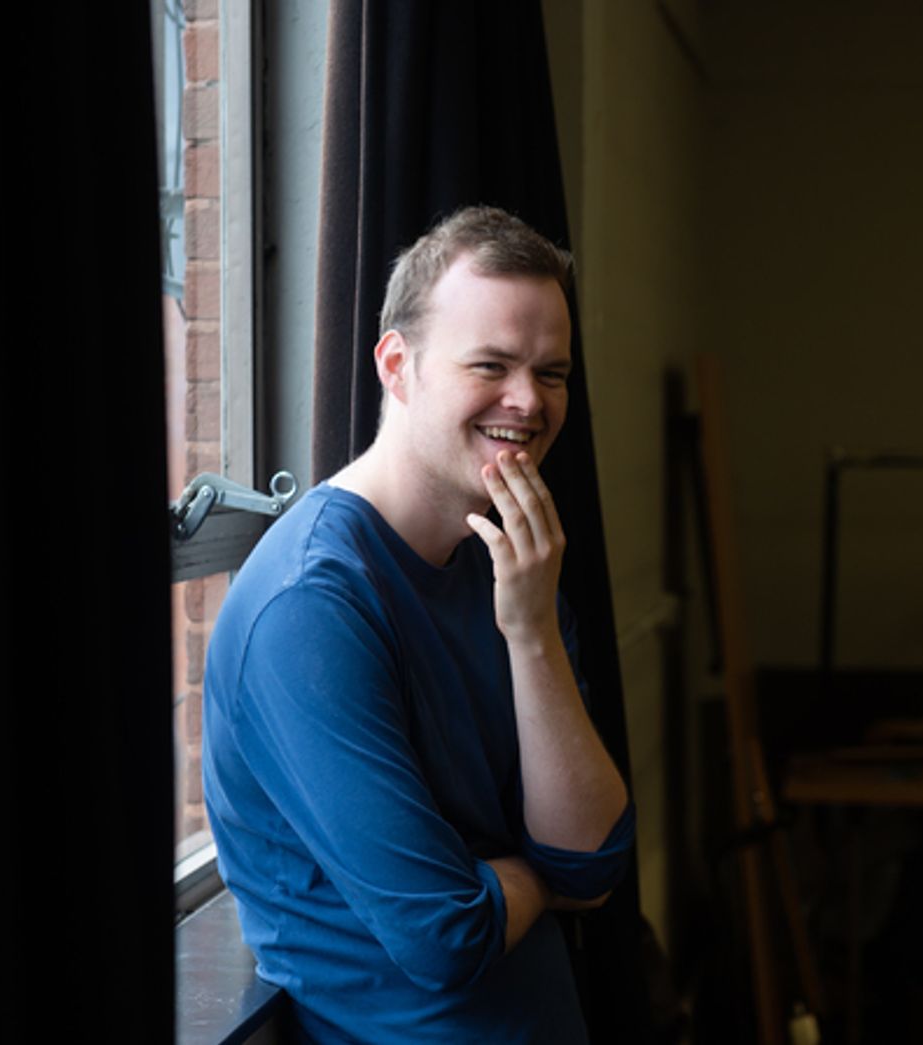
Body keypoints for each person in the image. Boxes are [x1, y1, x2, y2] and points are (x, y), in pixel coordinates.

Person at [202, 205, 635, 1043]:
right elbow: (448, 936)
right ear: (397, 366)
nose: (528, 401)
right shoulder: (310, 606)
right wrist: (540, 878)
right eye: (491, 364)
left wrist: (533, 631)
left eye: (552, 372)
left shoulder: (508, 562)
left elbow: (595, 859)